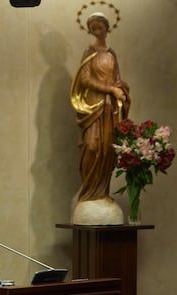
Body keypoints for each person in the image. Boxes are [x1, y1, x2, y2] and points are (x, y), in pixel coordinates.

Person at [70, 12, 131, 203]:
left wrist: (120, 90)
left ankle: (102, 192)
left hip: (109, 109)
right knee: (92, 146)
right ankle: (89, 192)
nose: (97, 31)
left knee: (108, 149)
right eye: (93, 28)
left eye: (100, 27)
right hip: (94, 106)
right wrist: (110, 89)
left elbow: (117, 79)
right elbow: (85, 79)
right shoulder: (89, 53)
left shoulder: (111, 54)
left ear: (106, 27)